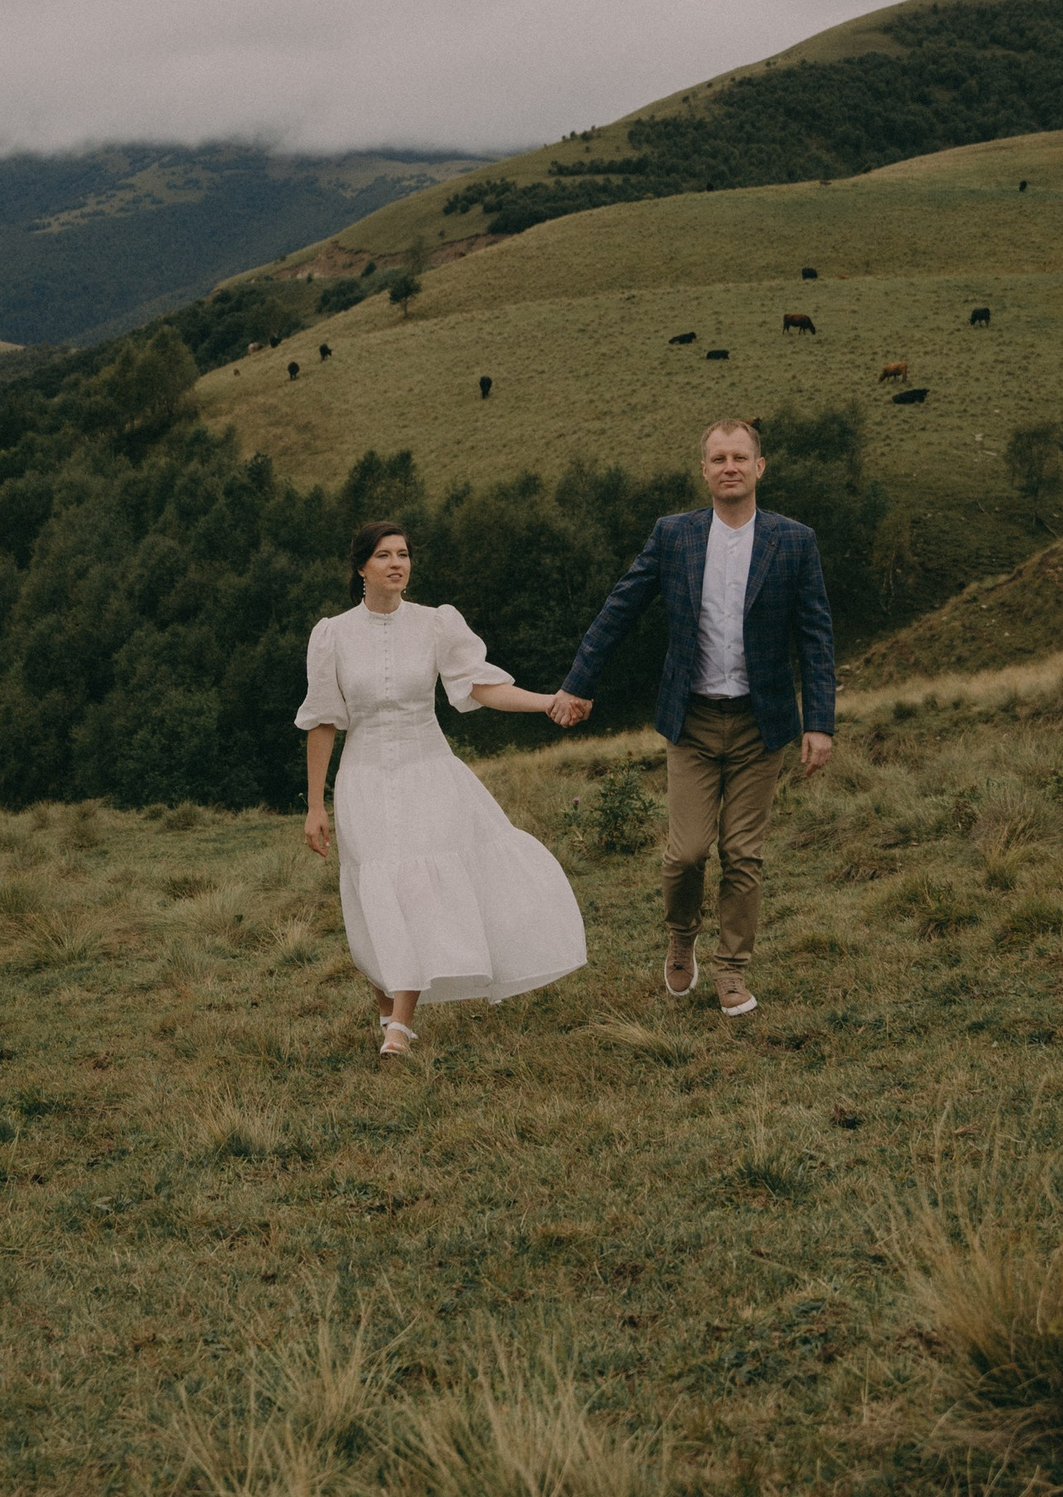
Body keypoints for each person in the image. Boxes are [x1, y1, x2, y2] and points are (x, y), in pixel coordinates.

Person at [548, 420, 834, 1018]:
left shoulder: (795, 540)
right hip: (692, 720)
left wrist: (820, 721)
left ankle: (732, 971)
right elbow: (620, 606)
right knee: (686, 853)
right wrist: (579, 682)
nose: (729, 466)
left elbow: (815, 635)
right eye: (717, 458)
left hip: (763, 724)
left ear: (760, 468)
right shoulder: (673, 536)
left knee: (743, 854)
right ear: (703, 470)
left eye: (740, 457)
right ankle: (682, 936)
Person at [301, 520, 588, 1058]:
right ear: (361, 567)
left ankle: (399, 1027)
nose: (396, 564)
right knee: (373, 891)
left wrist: (546, 700)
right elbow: (321, 721)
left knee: (412, 887)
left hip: (427, 772)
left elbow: (479, 687)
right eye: (384, 555)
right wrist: (316, 804)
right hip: (362, 779)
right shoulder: (332, 634)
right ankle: (388, 1008)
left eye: (404, 555)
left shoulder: (436, 624)